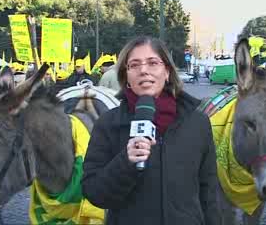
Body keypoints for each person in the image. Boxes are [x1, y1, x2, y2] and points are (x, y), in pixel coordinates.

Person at [82, 36, 220, 225]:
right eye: (134, 65)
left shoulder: (198, 123)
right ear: (126, 76)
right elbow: (94, 193)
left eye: (153, 63)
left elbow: (209, 192)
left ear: (167, 72)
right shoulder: (108, 123)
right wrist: (126, 161)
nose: (144, 70)